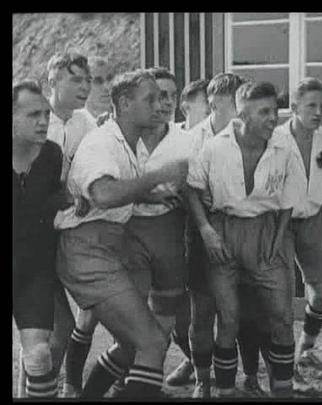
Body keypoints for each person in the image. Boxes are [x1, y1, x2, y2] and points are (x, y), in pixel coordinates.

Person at [55, 69, 188, 399]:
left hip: (104, 249)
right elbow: (103, 194)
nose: (159, 105)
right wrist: (157, 177)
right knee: (152, 342)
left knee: (132, 345)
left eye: (162, 98)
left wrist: (150, 196)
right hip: (87, 252)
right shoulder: (103, 142)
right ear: (125, 103)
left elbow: (114, 192)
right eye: (150, 98)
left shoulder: (127, 142)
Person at [186, 81, 304, 397]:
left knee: (282, 318)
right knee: (228, 320)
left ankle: (283, 392)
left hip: (267, 231)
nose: (272, 118)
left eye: (274, 111)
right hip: (224, 232)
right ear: (242, 115)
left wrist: (277, 240)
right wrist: (206, 231)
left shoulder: (284, 145)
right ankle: (225, 392)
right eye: (264, 112)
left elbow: (290, 197)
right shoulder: (215, 147)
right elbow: (192, 188)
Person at [165, 72, 247, 398]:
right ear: (214, 104)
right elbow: (187, 188)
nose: (239, 113)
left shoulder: (247, 135)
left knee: (233, 314)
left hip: (239, 229)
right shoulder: (193, 138)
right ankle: (202, 380)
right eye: (233, 106)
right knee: (202, 313)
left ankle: (233, 381)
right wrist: (205, 228)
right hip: (200, 230)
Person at [273, 78, 322, 383]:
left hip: (312, 219)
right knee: (281, 297)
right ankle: (283, 363)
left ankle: (305, 351)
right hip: (280, 222)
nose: (318, 112)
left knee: (321, 296)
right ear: (294, 107)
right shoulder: (276, 139)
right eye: (311, 106)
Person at [61, 55, 115, 398]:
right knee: (84, 315)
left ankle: (81, 384)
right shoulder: (71, 123)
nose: (104, 87)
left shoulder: (107, 123)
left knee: (96, 314)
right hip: (76, 229)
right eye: (96, 80)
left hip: (110, 228)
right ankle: (69, 384)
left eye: (108, 79)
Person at [45, 51, 97, 385]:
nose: (85, 87)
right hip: (31, 235)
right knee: (50, 329)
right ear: (52, 81)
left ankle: (58, 386)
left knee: (59, 327)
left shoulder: (85, 123)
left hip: (67, 231)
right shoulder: (32, 119)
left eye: (87, 80)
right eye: (75, 79)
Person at [13, 80, 66, 398]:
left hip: (34, 269)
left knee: (39, 355)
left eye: (46, 114)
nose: (43, 121)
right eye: (33, 115)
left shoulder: (51, 154)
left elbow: (49, 200)